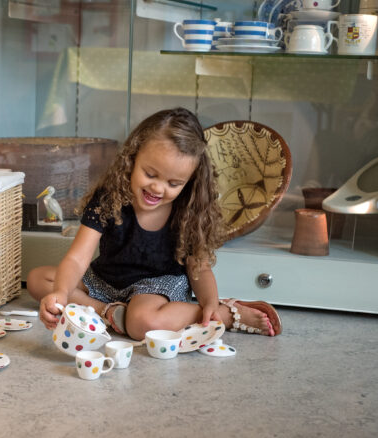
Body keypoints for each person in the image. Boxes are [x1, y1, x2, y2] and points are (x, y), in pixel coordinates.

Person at [26, 108, 282, 340]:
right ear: (132, 159)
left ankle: (226, 314)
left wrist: (210, 303)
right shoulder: (108, 196)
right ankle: (109, 312)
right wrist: (60, 292)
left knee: (142, 323)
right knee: (39, 281)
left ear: (189, 181)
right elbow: (77, 259)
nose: (158, 188)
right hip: (105, 281)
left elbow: (199, 268)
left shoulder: (188, 209)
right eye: (150, 174)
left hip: (158, 287)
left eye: (174, 184)